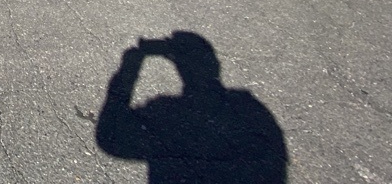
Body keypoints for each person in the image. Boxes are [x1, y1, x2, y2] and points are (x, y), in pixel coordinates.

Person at [96, 32, 287, 182]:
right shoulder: (247, 106)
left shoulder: (166, 112)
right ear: (214, 63)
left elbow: (110, 138)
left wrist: (132, 62)